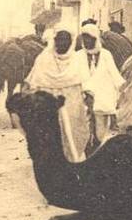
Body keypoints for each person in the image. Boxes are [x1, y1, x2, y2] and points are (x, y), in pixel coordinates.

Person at [24, 28, 90, 162]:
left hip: (72, 98)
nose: (62, 43)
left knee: (72, 129)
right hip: (49, 99)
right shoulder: (44, 58)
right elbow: (35, 81)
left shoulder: (77, 59)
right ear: (55, 41)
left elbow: (86, 82)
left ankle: (72, 157)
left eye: (66, 40)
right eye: (59, 39)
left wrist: (88, 96)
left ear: (71, 42)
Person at [78, 22, 124, 146]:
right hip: (84, 99)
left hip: (103, 100)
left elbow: (115, 75)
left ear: (95, 38)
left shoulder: (106, 55)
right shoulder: (78, 56)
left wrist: (124, 90)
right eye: (84, 38)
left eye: (89, 38)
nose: (86, 41)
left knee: (103, 134)